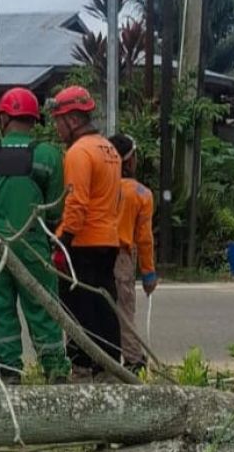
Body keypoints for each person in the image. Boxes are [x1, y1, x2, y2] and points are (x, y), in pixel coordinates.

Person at [0, 87, 71, 383]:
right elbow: (55, 206)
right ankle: (54, 368)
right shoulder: (48, 155)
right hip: (31, 243)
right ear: (35, 119)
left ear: (2, 117)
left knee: (1, 306)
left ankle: (10, 370)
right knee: (42, 305)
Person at [49, 85, 122, 378]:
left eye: (58, 121)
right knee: (105, 304)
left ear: (74, 120)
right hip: (109, 239)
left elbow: (77, 202)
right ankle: (110, 364)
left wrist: (62, 243)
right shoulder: (109, 149)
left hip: (83, 241)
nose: (56, 128)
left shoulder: (79, 153)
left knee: (80, 309)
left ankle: (86, 365)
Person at [108, 134, 157, 373]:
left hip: (91, 255)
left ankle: (92, 361)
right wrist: (148, 273)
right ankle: (133, 360)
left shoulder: (99, 186)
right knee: (125, 310)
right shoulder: (141, 194)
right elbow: (144, 239)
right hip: (122, 257)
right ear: (129, 161)